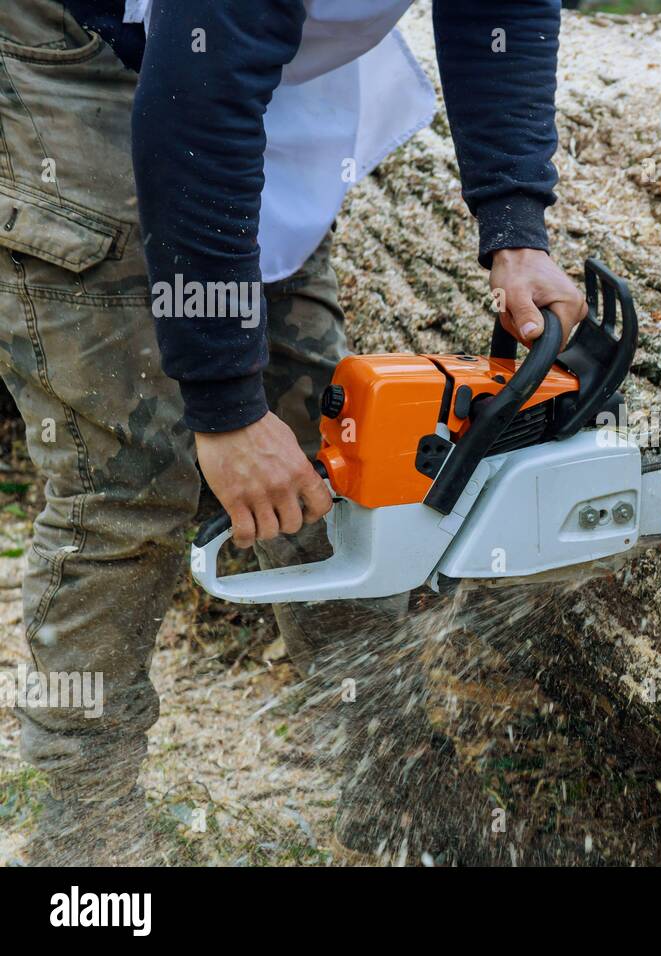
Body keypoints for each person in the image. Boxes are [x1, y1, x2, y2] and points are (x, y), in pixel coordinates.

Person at [0, 0, 586, 864]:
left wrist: (514, 222)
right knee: (123, 483)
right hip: (80, 51)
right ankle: (84, 850)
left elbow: (499, 8)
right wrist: (226, 404)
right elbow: (198, 100)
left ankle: (393, 797)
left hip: (239, 64)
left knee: (334, 441)